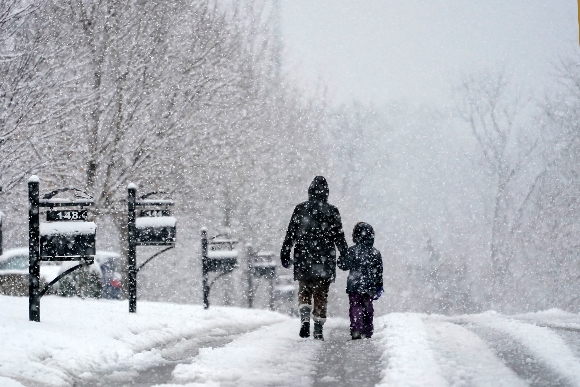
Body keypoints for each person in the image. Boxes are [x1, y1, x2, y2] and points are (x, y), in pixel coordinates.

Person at [281, 176, 348, 340]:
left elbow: (290, 234)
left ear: (310, 191)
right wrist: (344, 255)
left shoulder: (300, 209)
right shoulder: (332, 211)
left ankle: (305, 318)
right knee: (321, 294)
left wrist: (285, 251)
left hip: (303, 257)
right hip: (325, 258)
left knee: (304, 290)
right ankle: (318, 327)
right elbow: (339, 237)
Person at [338, 222, 383, 340]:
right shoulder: (375, 253)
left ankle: (356, 328)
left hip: (354, 285)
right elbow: (379, 272)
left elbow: (343, 265)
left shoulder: (352, 251)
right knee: (368, 308)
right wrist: (379, 285)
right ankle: (367, 331)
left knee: (355, 306)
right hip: (370, 286)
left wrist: (341, 258)